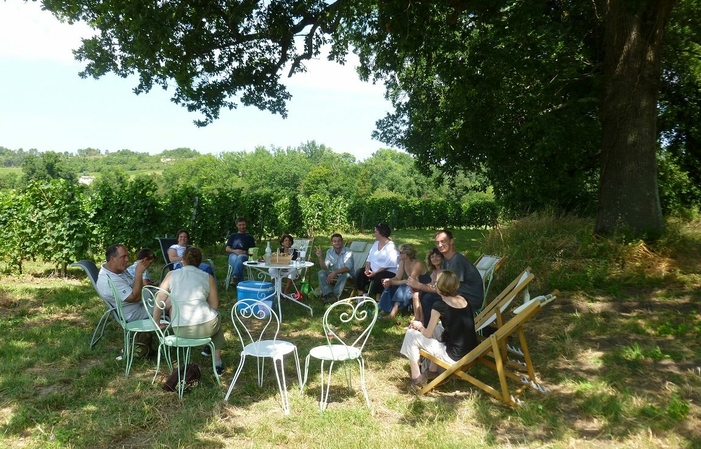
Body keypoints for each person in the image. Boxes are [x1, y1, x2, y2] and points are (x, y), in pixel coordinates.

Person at [400, 270, 478, 387]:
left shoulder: (439, 306)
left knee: (411, 335)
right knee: (437, 328)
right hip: (471, 352)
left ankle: (417, 378)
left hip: (454, 356)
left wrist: (419, 326)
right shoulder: (463, 298)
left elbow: (426, 334)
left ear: (439, 286)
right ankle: (432, 370)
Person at [155, 246, 225, 375]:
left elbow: (159, 299)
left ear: (183, 260)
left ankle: (209, 351)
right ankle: (217, 362)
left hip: (179, 329)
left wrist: (157, 322)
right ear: (200, 262)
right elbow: (214, 305)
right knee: (216, 316)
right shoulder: (207, 277)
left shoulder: (171, 275)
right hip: (206, 328)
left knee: (213, 316)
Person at [408, 229, 483, 324]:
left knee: (429, 299)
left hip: (469, 300)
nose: (439, 245)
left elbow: (445, 288)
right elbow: (438, 284)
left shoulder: (456, 261)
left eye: (443, 241)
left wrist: (419, 286)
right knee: (425, 295)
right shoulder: (446, 260)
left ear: (451, 241)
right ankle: (427, 325)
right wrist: (419, 287)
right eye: (437, 242)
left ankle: (429, 330)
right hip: (456, 294)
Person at [96, 244, 155, 356]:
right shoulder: (109, 280)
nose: (127, 260)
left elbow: (134, 286)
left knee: (169, 296)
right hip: (134, 312)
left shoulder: (118, 270)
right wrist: (139, 273)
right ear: (113, 259)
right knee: (171, 303)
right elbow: (135, 297)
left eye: (127, 256)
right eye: (124, 257)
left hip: (144, 303)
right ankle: (182, 340)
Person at [378, 243, 426, 321]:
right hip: (410, 285)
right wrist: (389, 281)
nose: (398, 254)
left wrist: (392, 282)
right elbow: (397, 277)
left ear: (406, 254)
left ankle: (392, 314)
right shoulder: (403, 262)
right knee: (389, 285)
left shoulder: (417, 264)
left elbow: (410, 281)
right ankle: (384, 309)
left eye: (400, 252)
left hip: (421, 286)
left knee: (403, 288)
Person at [354, 222, 399, 300]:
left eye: (375, 232)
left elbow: (386, 266)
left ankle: (378, 299)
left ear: (382, 233)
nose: (374, 233)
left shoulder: (391, 247)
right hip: (373, 270)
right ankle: (360, 295)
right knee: (359, 272)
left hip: (388, 271)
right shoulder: (376, 243)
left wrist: (374, 273)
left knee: (379, 276)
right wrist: (367, 269)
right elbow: (369, 259)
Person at [315, 233, 354, 303]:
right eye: (334, 241)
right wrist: (320, 257)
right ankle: (329, 294)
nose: (337, 243)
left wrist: (335, 272)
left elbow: (348, 268)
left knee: (345, 274)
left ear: (342, 242)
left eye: (339, 241)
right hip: (335, 274)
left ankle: (334, 296)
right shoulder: (329, 252)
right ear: (332, 243)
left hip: (348, 275)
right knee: (321, 272)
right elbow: (324, 268)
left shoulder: (348, 251)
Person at [409, 248, 444, 326]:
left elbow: (438, 289)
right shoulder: (435, 271)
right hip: (436, 292)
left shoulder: (443, 270)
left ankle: (426, 324)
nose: (435, 258)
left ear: (442, 257)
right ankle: (419, 319)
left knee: (427, 298)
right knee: (418, 294)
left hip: (443, 294)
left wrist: (419, 286)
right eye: (432, 257)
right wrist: (418, 287)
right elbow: (431, 283)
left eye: (437, 256)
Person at [225, 217, 256, 286]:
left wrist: (246, 252)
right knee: (238, 260)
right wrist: (235, 251)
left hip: (245, 256)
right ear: (237, 225)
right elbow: (227, 248)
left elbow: (253, 252)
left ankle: (235, 278)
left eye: (244, 225)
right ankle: (239, 282)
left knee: (241, 257)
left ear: (246, 225)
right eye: (240, 225)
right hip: (233, 255)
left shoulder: (249, 237)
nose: (242, 227)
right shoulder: (233, 236)